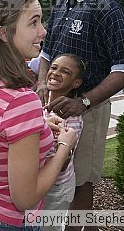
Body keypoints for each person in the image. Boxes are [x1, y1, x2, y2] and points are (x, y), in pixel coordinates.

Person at [37, 0, 124, 231]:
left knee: (80, 182)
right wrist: (43, 82)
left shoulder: (105, 6)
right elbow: (46, 52)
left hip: (87, 111)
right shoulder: (61, 5)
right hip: (55, 111)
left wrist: (83, 102)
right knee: (55, 175)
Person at [0, 0, 78, 230]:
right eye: (33, 22)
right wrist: (65, 146)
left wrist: (38, 125)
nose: (43, 31)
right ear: (4, 32)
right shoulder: (20, 101)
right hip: (7, 222)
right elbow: (25, 198)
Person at [42, 54, 85, 231]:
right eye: (53, 67)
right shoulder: (39, 101)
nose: (56, 73)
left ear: (76, 83)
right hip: (38, 182)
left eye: (65, 71)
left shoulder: (71, 117)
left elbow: (63, 161)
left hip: (55, 188)